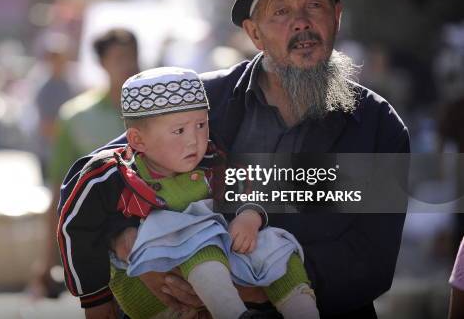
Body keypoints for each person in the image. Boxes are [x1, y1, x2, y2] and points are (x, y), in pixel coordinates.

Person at [59, 0, 410, 318]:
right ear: (254, 33)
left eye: (314, 5)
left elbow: (371, 261)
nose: (302, 22)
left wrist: (256, 290)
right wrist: (129, 241)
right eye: (281, 11)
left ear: (336, 17)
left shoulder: (377, 126)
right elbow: (93, 175)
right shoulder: (201, 101)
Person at [58, 67, 319, 319]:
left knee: (275, 246)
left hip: (223, 272)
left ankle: (302, 309)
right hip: (155, 296)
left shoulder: (212, 157)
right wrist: (95, 299)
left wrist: (250, 216)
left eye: (201, 125)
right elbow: (75, 227)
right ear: (138, 140)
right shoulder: (110, 176)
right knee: (197, 238)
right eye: (179, 131)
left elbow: (247, 189)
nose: (195, 140)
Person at [30, 28, 140, 298]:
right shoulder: (75, 117)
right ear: (102, 63)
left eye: (131, 56)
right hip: (99, 247)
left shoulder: (160, 111)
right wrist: (48, 259)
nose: (127, 65)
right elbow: (60, 191)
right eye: (118, 57)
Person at [33, 32, 74, 181]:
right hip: (50, 153)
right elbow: (46, 125)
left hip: (69, 154)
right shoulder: (45, 89)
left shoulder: (71, 84)